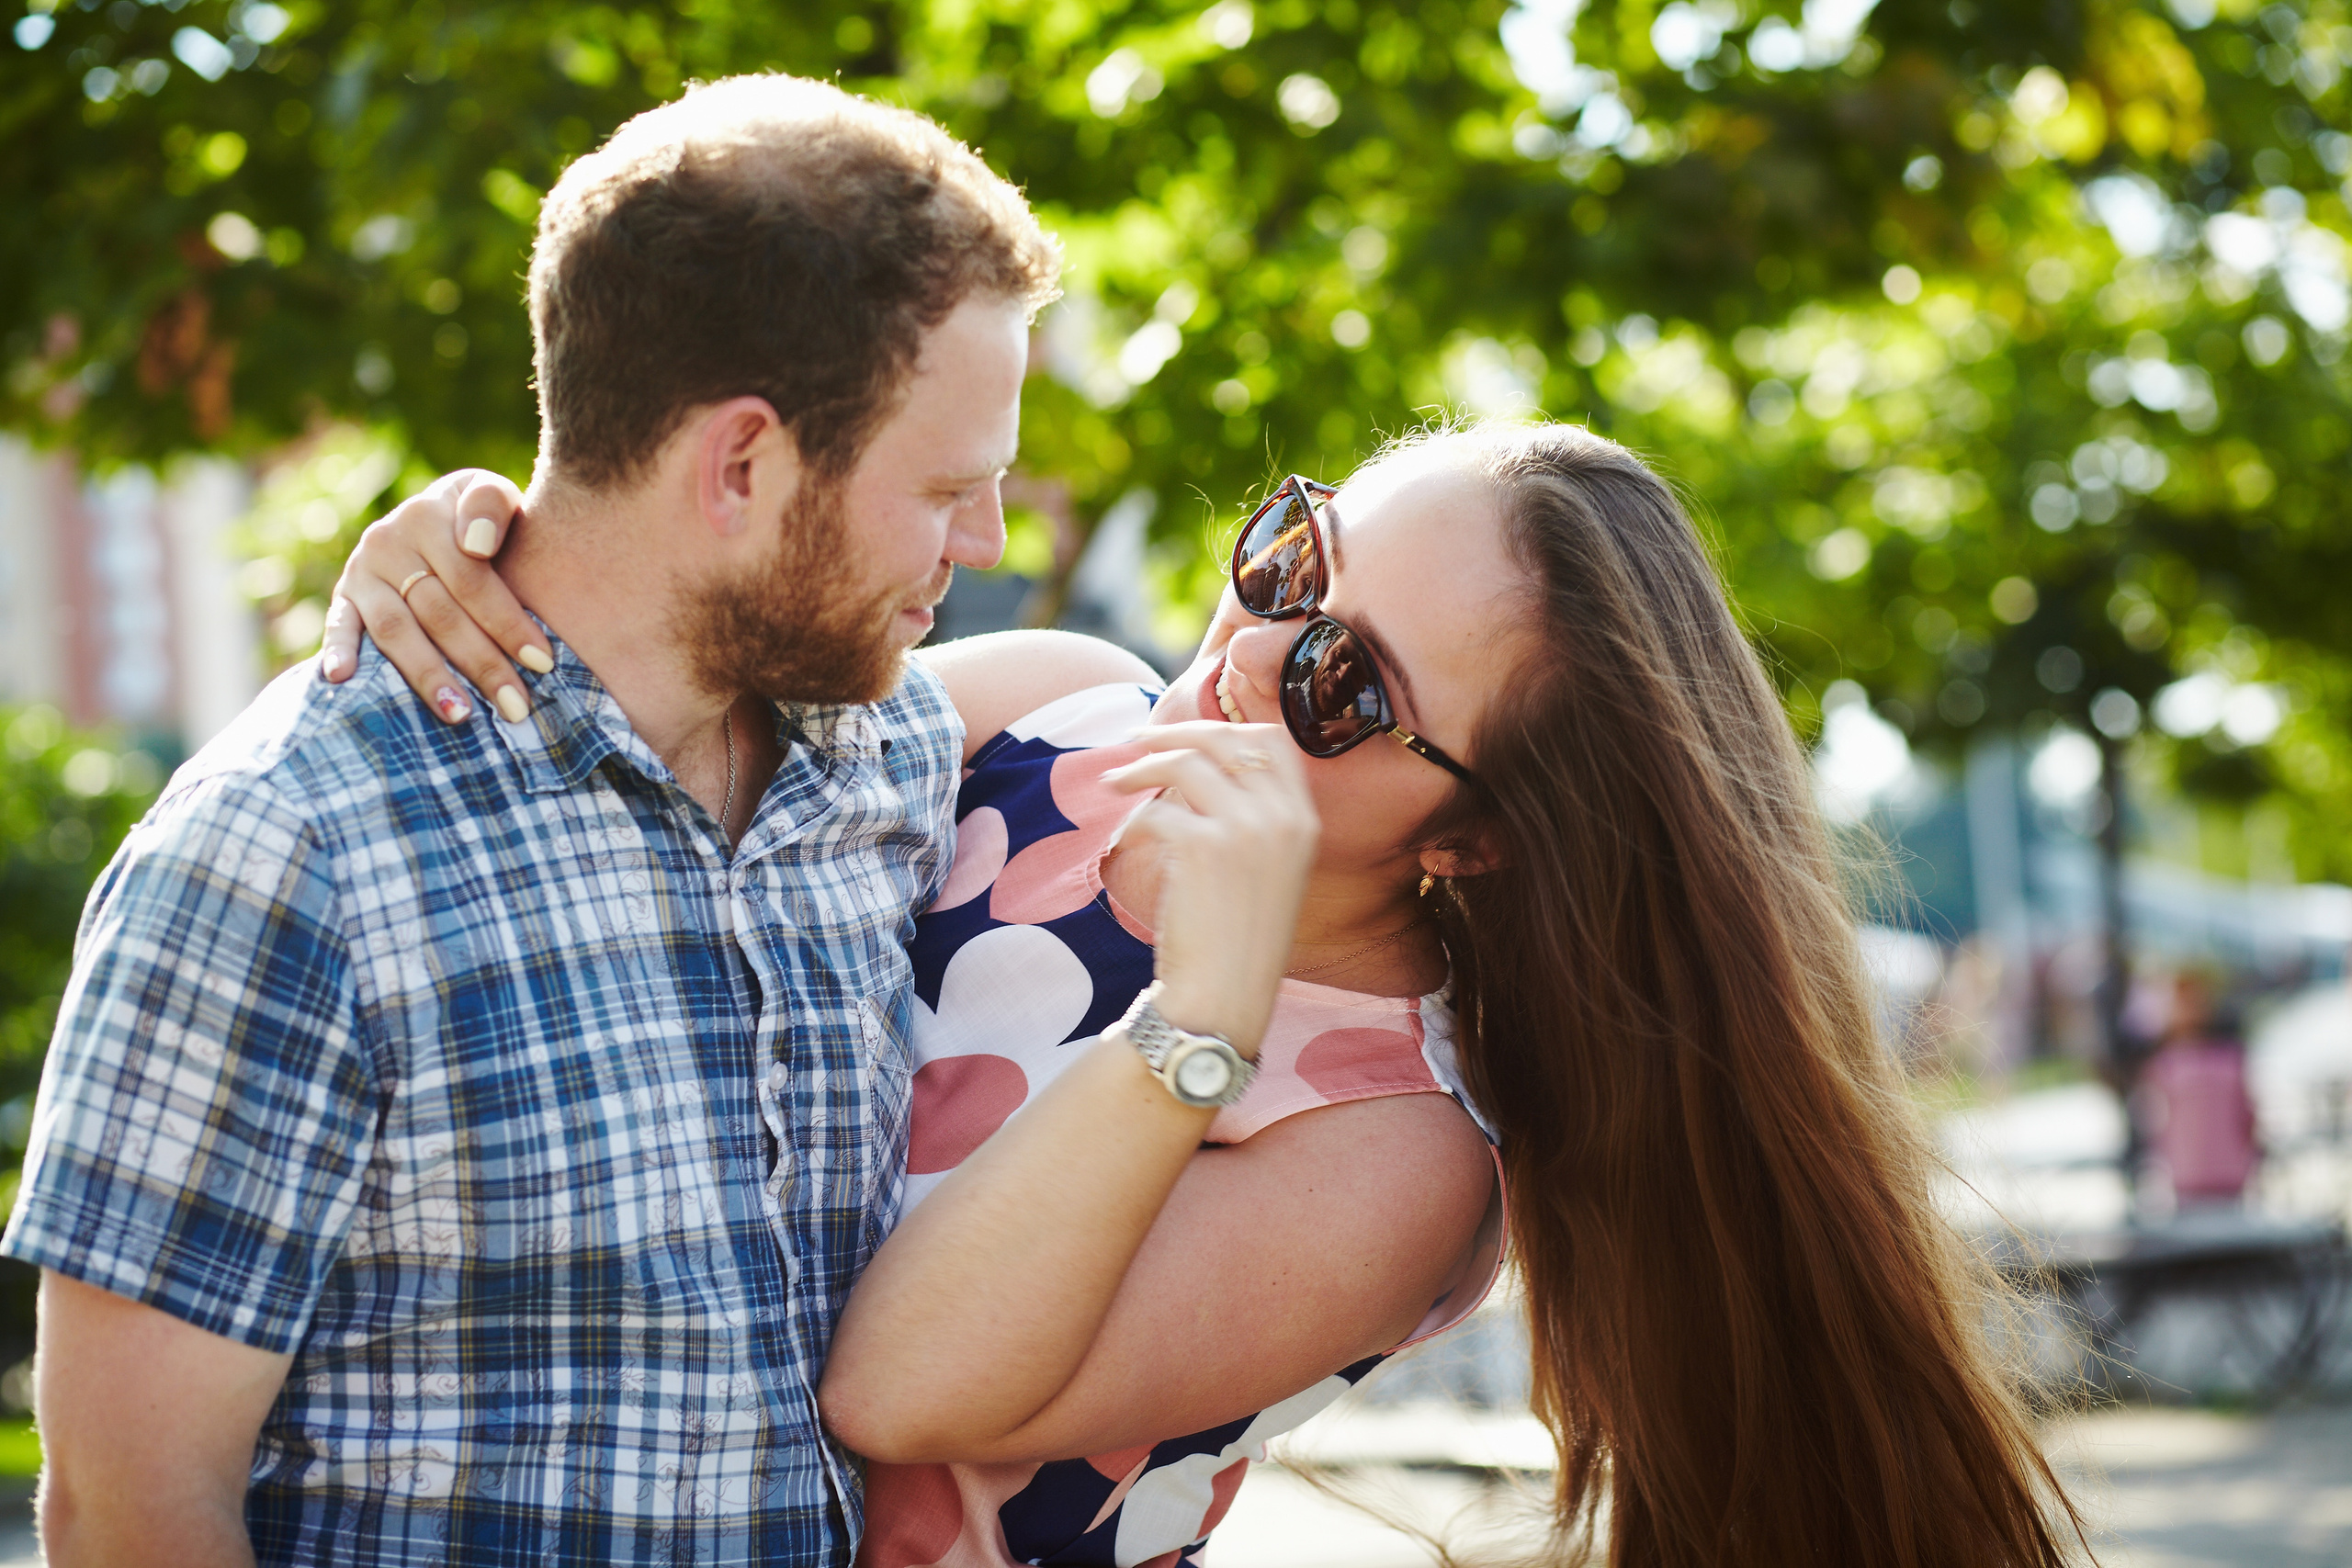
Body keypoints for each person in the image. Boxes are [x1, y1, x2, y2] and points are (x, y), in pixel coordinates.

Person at [332, 422, 2090, 1567]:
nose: (1246, 647)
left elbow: (898, 1389)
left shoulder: (1395, 1151)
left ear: (1474, 845)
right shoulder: (1039, 708)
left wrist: (1207, 1007)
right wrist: (483, 558)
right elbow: (586, 804)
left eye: (1340, 677)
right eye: (1290, 561)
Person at [3, 75, 1059, 1566]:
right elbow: (128, 1514)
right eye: (949, 487)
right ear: (741, 465)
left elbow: (1107, 692)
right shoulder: (285, 854)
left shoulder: (876, 753)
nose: (987, 543)